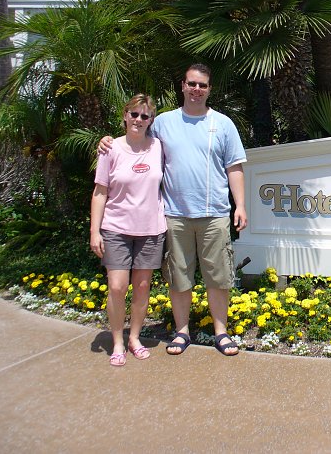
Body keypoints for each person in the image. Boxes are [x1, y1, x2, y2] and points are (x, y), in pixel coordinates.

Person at [99, 63, 247, 357]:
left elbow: (234, 167)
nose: (196, 89)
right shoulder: (163, 122)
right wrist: (105, 141)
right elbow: (134, 132)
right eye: (192, 83)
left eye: (202, 85)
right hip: (174, 215)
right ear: (182, 85)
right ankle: (182, 331)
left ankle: (221, 332)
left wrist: (239, 204)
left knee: (218, 277)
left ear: (209, 90)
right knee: (179, 277)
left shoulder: (223, 124)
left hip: (214, 213)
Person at [91, 94, 166, 367]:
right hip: (116, 227)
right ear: (125, 115)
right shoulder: (110, 149)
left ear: (151, 121)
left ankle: (134, 337)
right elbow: (100, 192)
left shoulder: (159, 146)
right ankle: (118, 340)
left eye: (144, 116)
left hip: (151, 229)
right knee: (117, 286)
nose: (138, 120)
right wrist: (94, 231)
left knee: (142, 287)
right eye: (134, 114)